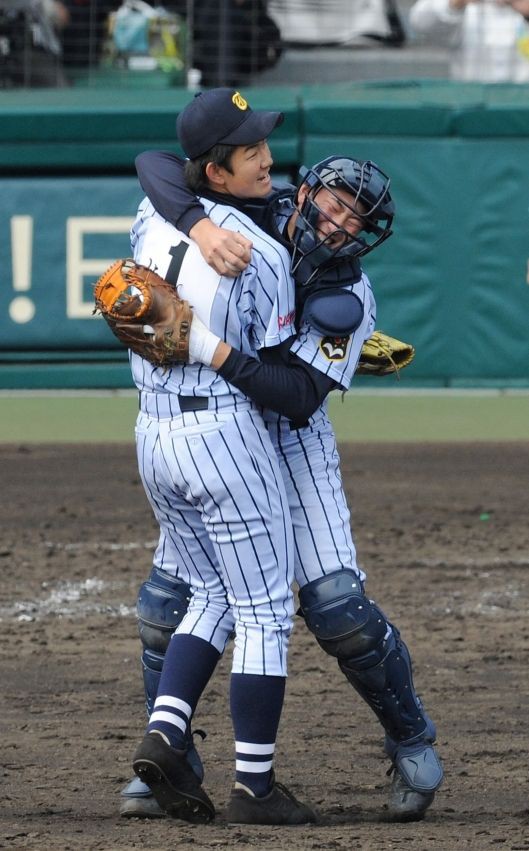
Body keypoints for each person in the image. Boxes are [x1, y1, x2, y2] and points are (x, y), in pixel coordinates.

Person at [120, 89, 444, 823]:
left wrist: (209, 346)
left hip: (289, 443)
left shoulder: (347, 292)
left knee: (336, 611)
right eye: (331, 202)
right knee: (164, 607)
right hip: (217, 438)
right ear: (306, 192)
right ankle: (169, 758)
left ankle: (410, 737)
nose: (337, 220)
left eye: (354, 218)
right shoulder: (253, 213)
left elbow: (296, 397)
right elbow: (156, 164)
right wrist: (199, 225)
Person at [125, 88, 318, 826]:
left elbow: (154, 168)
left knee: (208, 591)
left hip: (153, 438)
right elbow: (277, 380)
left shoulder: (153, 217)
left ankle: (166, 733)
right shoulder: (258, 254)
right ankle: (255, 787)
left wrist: (198, 221)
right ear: (214, 171)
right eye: (250, 152)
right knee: (265, 607)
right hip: (224, 436)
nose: (266, 157)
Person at [408, 0, 529, 82]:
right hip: (472, 107)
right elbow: (420, 22)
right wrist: (455, 3)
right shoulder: (469, 7)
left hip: (523, 106)